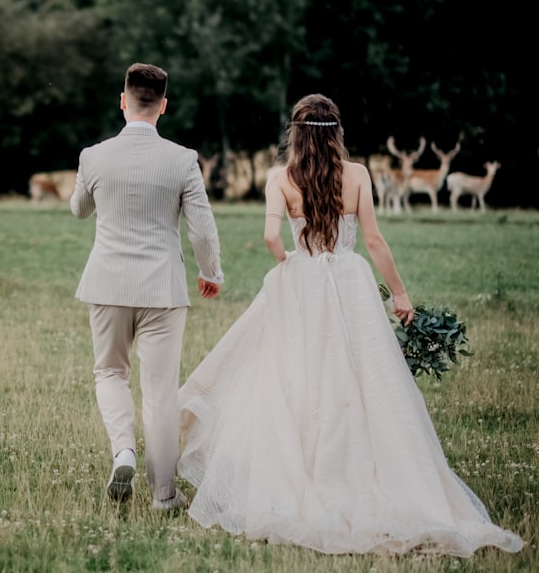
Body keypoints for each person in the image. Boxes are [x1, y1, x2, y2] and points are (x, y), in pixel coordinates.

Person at [174, 94, 523, 556]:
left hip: (303, 282)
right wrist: (399, 294)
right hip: (350, 282)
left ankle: (306, 473)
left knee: (295, 376)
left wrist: (290, 264)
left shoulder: (280, 178)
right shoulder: (357, 175)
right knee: (364, 381)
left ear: (295, 133)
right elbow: (374, 241)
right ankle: (364, 470)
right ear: (336, 131)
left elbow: (269, 237)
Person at [71, 62, 224, 510]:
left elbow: (79, 210)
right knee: (160, 391)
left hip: (107, 284)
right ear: (163, 106)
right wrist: (210, 273)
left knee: (110, 373)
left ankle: (123, 453)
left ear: (123, 101)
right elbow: (202, 229)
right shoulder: (182, 159)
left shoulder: (92, 156)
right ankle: (164, 495)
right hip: (162, 288)